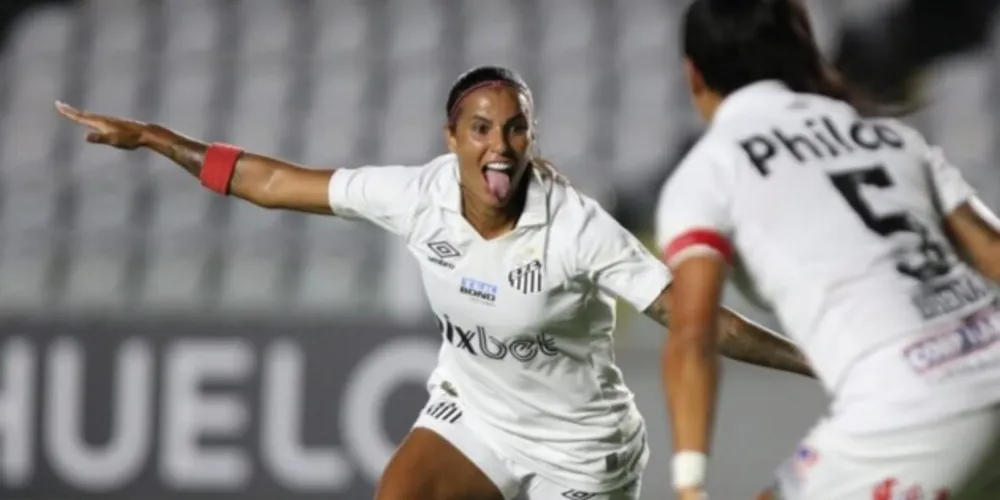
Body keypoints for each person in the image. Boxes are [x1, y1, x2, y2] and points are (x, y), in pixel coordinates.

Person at [55, 65, 812, 500]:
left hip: (582, 449)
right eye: (481, 127)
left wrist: (817, 354)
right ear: (451, 138)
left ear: (532, 139)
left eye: (516, 127)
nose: (500, 143)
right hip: (476, 415)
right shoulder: (417, 195)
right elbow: (273, 180)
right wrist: (155, 138)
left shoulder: (576, 227)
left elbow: (699, 321)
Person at [656, 0, 1000, 499]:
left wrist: (689, 485)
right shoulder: (889, 136)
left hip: (909, 407)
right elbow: (991, 248)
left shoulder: (709, 170)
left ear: (693, 75)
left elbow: (692, 337)